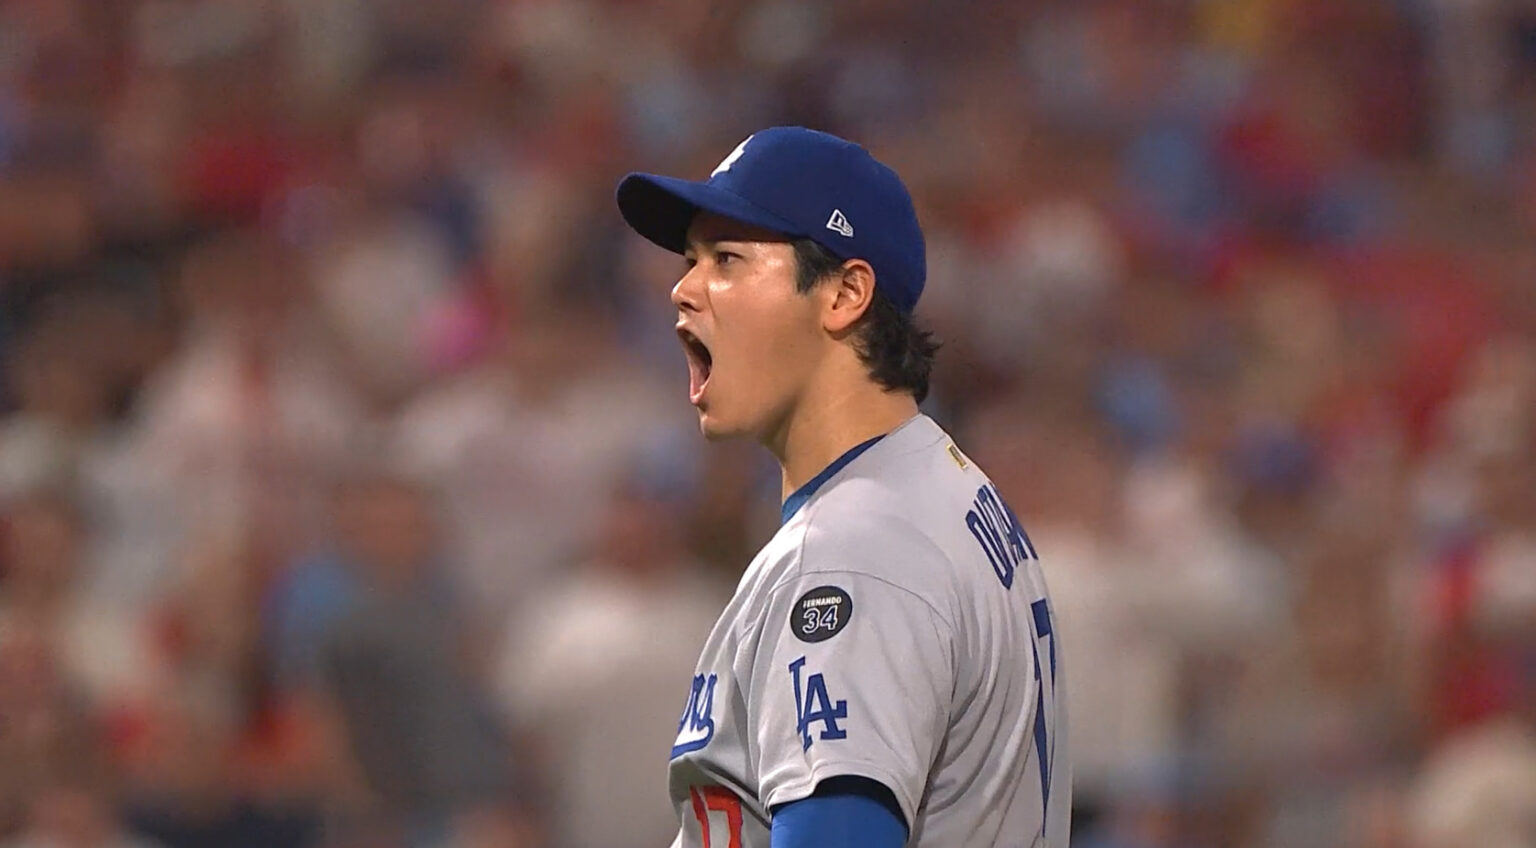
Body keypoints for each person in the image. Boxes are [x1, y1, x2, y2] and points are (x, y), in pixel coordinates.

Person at [614, 126, 1070, 848]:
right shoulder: (939, 487)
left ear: (845, 293)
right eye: (691, 260)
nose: (684, 288)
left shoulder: (854, 551)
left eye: (727, 258)